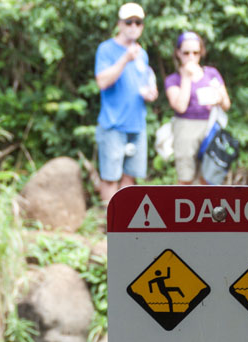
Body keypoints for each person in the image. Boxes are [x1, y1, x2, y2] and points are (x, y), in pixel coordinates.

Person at [94, 2, 158, 205]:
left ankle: (123, 227)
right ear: (119, 24)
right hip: (113, 124)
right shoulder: (106, 49)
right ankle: (109, 223)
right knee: (110, 177)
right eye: (129, 22)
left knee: (130, 178)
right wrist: (124, 59)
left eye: (138, 22)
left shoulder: (142, 53)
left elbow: (142, 82)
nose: (133, 26)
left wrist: (150, 92)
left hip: (137, 124)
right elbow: (102, 81)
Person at [164, 31, 230, 185]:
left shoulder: (211, 74)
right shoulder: (173, 79)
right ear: (178, 53)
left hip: (210, 126)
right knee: (186, 177)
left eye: (195, 53)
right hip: (185, 128)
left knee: (208, 176)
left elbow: (226, 104)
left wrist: (218, 98)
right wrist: (186, 77)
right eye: (186, 53)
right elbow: (180, 106)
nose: (191, 57)